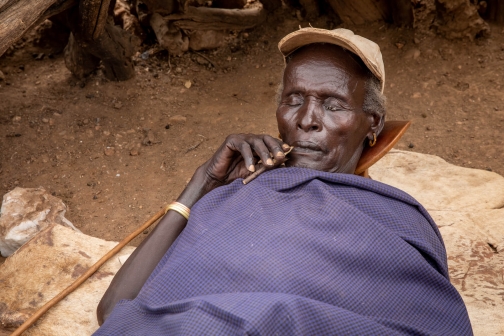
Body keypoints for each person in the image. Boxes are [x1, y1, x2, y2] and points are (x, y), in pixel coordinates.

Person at [95, 28, 472, 335]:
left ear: (372, 123)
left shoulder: (395, 216)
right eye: (294, 99)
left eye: (333, 105)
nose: (306, 119)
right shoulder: (236, 191)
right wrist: (202, 184)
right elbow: (115, 310)